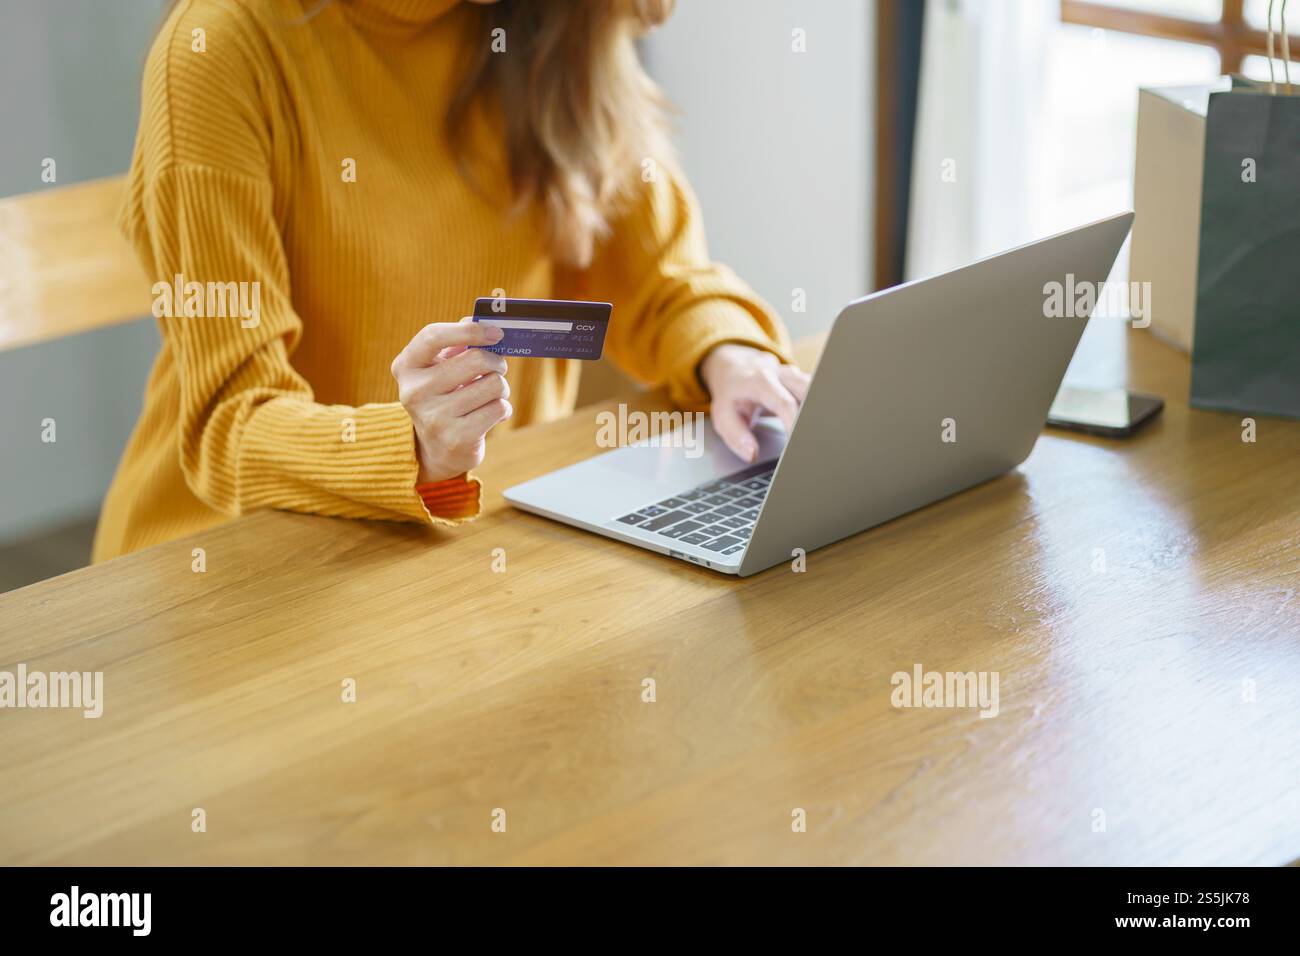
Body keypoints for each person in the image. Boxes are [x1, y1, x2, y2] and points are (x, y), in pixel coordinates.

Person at [93, 0, 808, 561]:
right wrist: (411, 450)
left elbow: (661, 283)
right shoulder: (218, 49)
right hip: (232, 564)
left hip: (468, 546)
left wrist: (731, 356)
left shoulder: (553, 27)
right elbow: (228, 423)